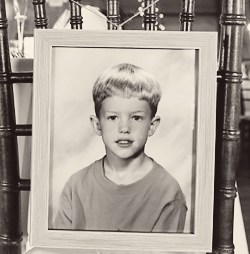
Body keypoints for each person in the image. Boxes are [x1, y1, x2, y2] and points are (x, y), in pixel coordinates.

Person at [52, 62, 187, 232]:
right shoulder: (75, 186)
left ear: (152, 125)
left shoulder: (168, 192)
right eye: (113, 118)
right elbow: (59, 253)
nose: (124, 128)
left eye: (136, 118)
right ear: (97, 124)